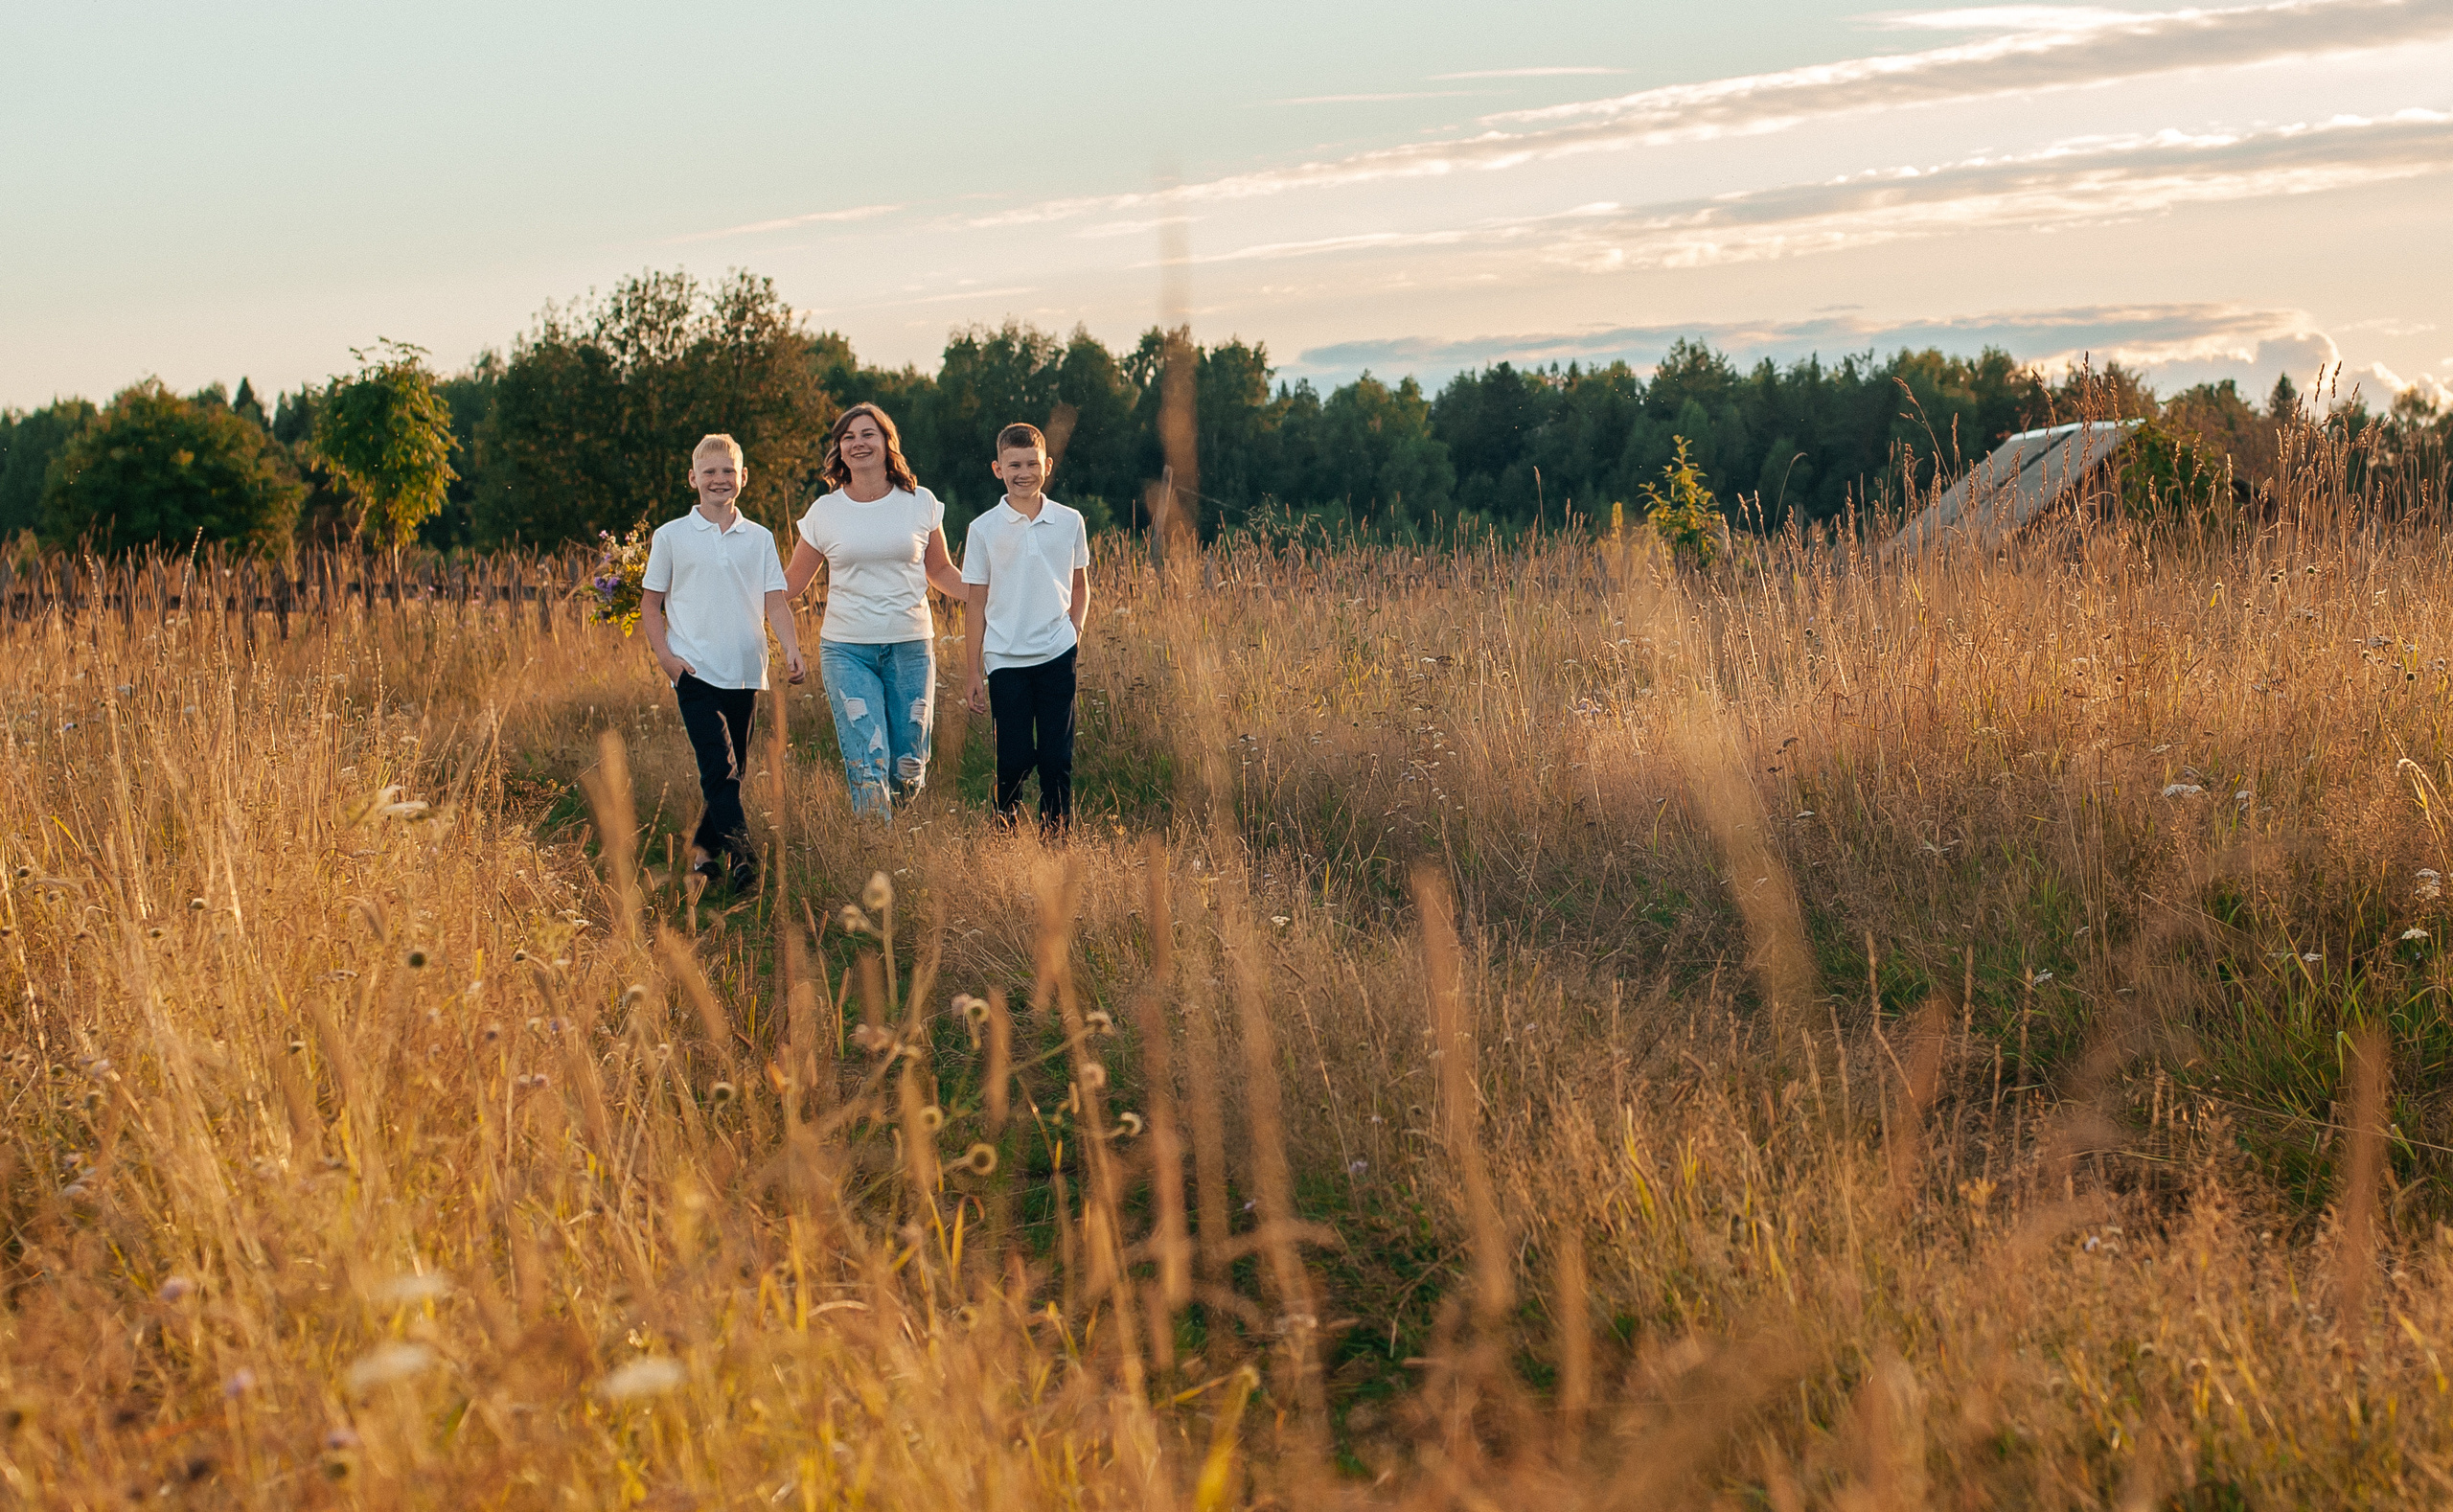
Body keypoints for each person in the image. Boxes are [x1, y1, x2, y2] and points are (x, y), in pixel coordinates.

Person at [639, 434, 804, 892]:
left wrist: (791, 647)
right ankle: (743, 858)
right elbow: (650, 604)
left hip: (746, 671)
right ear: (693, 479)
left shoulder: (760, 538)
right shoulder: (671, 536)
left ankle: (702, 854)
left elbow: (775, 602)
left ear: (743, 478)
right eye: (709, 472)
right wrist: (667, 660)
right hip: (693, 671)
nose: (719, 479)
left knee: (734, 773)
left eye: (728, 471)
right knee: (719, 769)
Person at [786, 403, 965, 816]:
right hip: (847, 651)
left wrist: (988, 594)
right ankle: (874, 847)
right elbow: (792, 582)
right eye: (847, 437)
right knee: (868, 762)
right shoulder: (825, 511)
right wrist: (735, 590)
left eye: (868, 434)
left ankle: (899, 831)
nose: (858, 443)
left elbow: (940, 570)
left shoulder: (920, 502)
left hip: (911, 647)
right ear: (839, 450)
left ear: (887, 442)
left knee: (909, 768)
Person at [962, 422, 1090, 833]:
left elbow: (1079, 585)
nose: (1024, 473)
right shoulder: (983, 529)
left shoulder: (1069, 521)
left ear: (1047, 466)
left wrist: (1074, 632)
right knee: (1013, 758)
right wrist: (972, 670)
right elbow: (976, 602)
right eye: (1014, 465)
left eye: (1032, 464)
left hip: (1057, 653)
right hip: (1005, 659)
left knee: (1056, 757)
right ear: (998, 468)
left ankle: (1056, 841)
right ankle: (1004, 834)